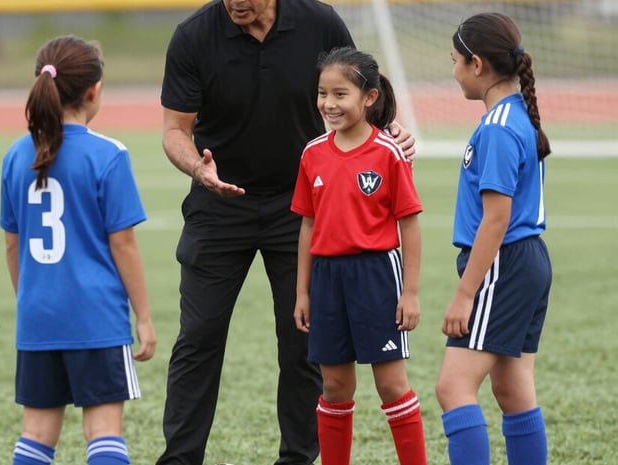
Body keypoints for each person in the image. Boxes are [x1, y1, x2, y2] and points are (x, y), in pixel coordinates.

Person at [158, 1, 415, 464]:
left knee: (302, 342)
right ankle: (180, 459)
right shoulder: (193, 35)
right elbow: (175, 129)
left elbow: (355, 86)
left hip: (303, 207)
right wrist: (198, 168)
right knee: (198, 337)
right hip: (217, 204)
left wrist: (389, 130)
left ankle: (297, 458)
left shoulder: (319, 22)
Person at [0, 35, 156, 465]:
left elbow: (12, 245)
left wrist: (30, 300)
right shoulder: (108, 154)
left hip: (38, 317)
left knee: (35, 436)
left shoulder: (16, 155)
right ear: (94, 91)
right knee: (103, 432)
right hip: (96, 316)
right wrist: (143, 317)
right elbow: (122, 243)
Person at [291, 46, 427, 465]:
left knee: (390, 384)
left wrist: (411, 292)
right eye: (322, 93)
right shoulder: (312, 153)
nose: (328, 104)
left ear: (369, 98)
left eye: (340, 94)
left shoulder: (389, 152)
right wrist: (303, 292)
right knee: (334, 385)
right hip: (327, 278)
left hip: (377, 275)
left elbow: (409, 223)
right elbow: (308, 225)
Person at [434, 12, 552, 465]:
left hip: (503, 262)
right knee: (512, 387)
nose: (454, 70)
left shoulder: (501, 126)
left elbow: (496, 218)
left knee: (453, 387)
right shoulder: (518, 113)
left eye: (454, 61)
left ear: (477, 64)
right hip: (527, 261)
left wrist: (466, 295)